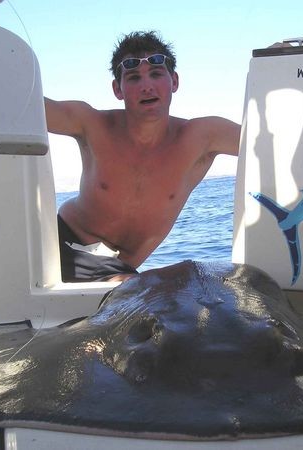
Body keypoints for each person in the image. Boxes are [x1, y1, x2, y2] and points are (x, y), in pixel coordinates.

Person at [45, 31, 240, 282]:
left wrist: (274, 65)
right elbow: (30, 105)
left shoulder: (202, 137)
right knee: (141, 292)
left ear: (174, 81)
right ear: (118, 89)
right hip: (61, 242)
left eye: (156, 74)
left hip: (116, 270)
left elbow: (271, 142)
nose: (147, 86)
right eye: (134, 77)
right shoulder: (92, 124)